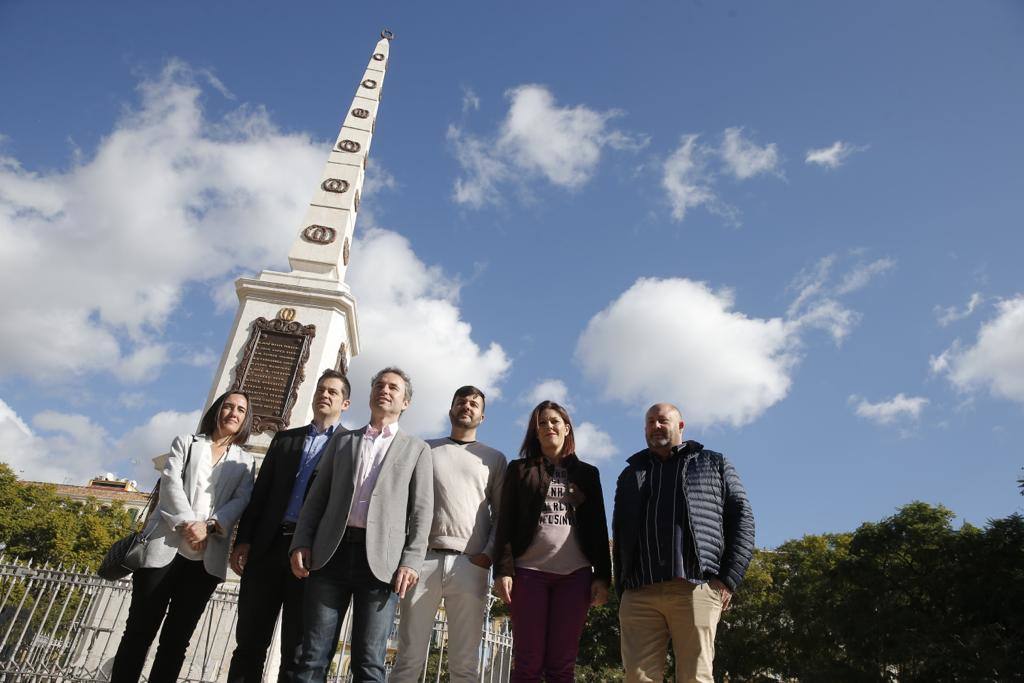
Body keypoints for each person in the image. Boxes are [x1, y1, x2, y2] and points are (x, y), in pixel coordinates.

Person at [289, 367, 433, 683]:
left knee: (369, 663)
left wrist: (411, 562)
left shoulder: (417, 449)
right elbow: (317, 497)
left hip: (382, 564)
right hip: (330, 554)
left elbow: (422, 512)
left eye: (394, 387)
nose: (385, 390)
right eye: (380, 385)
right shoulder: (343, 442)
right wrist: (301, 541)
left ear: (405, 402)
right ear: (369, 395)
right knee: (312, 657)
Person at [110, 390, 256, 683]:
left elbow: (240, 501)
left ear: (245, 420)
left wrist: (211, 526)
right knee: (138, 632)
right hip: (163, 549)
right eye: (227, 406)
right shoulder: (187, 443)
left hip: (205, 559)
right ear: (216, 411)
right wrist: (191, 524)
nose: (233, 413)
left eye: (240, 410)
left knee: (176, 642)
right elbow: (170, 484)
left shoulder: (245, 462)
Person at [613, 403, 755, 683]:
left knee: (695, 678)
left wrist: (727, 579)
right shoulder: (630, 474)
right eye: (650, 422)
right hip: (640, 591)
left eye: (662, 420)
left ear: (680, 426)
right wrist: (622, 586)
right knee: (637, 678)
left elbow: (743, 520)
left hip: (695, 587)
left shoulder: (714, 463)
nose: (655, 426)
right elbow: (619, 532)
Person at [226, 370, 352, 682]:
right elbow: (260, 494)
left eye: (333, 392)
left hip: (310, 556)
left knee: (296, 651)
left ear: (345, 403)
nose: (324, 395)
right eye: (321, 390)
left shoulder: (350, 446)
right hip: (267, 549)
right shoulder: (285, 440)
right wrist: (243, 540)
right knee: (249, 643)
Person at [391, 386, 507, 682]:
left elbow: (502, 514)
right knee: (408, 659)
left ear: (483, 416)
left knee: (464, 665)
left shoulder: (494, 459)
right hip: (423, 561)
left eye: (474, 403)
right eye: (461, 401)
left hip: (470, 564)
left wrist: (488, 555)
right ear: (451, 409)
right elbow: (404, 504)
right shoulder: (423, 448)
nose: (467, 406)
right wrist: (407, 555)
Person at [493, 400, 611, 683]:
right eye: (542, 423)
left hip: (575, 577)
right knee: (527, 662)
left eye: (554, 421)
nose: (548, 427)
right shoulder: (519, 469)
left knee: (562, 664)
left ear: (567, 428)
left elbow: (598, 525)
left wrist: (603, 577)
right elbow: (505, 522)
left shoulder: (588, 474)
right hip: (528, 573)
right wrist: (503, 570)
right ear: (535, 432)